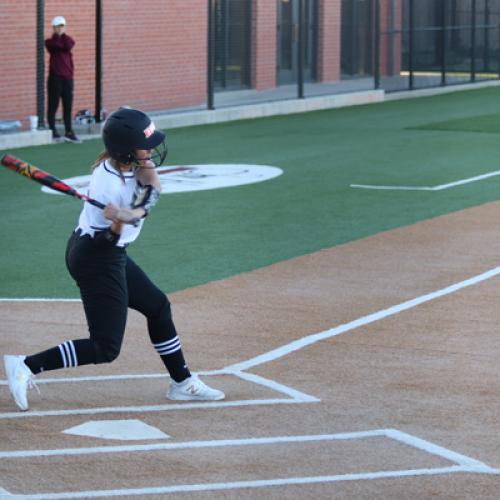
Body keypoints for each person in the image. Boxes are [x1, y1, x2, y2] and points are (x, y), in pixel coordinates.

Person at [3, 107, 225, 411]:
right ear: (125, 149)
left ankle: (182, 383)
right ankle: (26, 365)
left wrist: (132, 213)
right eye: (144, 145)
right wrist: (118, 223)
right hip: (97, 255)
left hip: (107, 252)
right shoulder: (108, 184)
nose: (150, 151)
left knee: (157, 306)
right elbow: (107, 240)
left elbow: (152, 186)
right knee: (105, 347)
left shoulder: (133, 164)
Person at [45, 16, 81, 143]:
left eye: (62, 26)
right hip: (55, 78)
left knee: (68, 106)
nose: (60, 29)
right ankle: (52, 130)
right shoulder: (50, 42)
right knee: (53, 105)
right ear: (53, 28)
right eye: (57, 27)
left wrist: (63, 35)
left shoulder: (68, 40)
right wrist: (58, 36)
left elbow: (68, 45)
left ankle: (69, 131)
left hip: (68, 79)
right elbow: (55, 45)